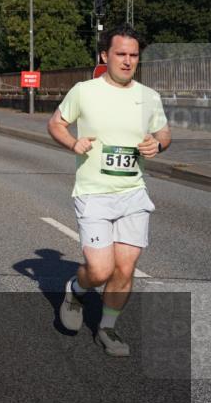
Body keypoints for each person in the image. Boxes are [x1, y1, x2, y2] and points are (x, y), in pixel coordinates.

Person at [48, 25, 170, 357]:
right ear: (105, 55)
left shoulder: (149, 97)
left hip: (133, 192)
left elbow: (164, 133)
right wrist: (73, 142)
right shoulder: (84, 91)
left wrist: (157, 144)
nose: (128, 61)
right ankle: (76, 290)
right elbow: (56, 123)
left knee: (125, 268)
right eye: (121, 54)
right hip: (94, 193)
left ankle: (107, 328)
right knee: (101, 270)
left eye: (134, 55)